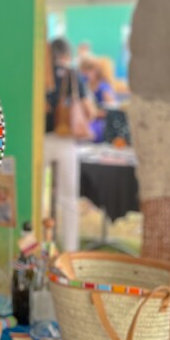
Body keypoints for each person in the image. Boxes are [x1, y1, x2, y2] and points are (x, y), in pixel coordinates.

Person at [42, 37, 96, 251]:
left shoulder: (40, 75)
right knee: (68, 198)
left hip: (42, 140)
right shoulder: (74, 75)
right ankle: (70, 249)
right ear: (66, 54)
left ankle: (36, 243)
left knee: (37, 196)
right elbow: (89, 110)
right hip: (66, 141)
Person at [78, 57, 117, 143]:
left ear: (96, 70)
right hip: (88, 120)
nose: (85, 74)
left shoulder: (104, 87)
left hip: (100, 123)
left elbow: (111, 111)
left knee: (87, 130)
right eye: (83, 71)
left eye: (88, 70)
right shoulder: (84, 85)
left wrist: (94, 113)